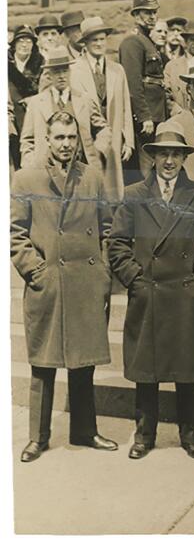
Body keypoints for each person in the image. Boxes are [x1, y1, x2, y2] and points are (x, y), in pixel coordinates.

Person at [107, 122, 194, 460]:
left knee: (187, 371)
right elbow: (116, 245)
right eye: (163, 154)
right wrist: (136, 280)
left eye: (175, 154)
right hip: (149, 293)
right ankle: (144, 434)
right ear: (153, 158)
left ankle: (190, 435)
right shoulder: (134, 195)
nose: (169, 161)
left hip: (185, 294)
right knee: (147, 369)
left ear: (183, 159)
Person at [11, 110, 118, 462]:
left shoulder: (91, 177)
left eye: (72, 138)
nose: (66, 145)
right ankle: (37, 438)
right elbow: (15, 234)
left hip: (85, 281)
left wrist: (102, 274)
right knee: (43, 364)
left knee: (83, 362)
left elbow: (106, 228)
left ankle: (86, 431)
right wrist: (36, 272)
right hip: (49, 282)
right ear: (47, 139)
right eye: (59, 138)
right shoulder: (27, 179)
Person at [72, 16, 135, 202]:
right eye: (94, 40)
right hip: (87, 139)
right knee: (89, 185)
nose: (99, 44)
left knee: (113, 189)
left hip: (114, 138)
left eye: (102, 39)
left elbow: (125, 107)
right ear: (85, 43)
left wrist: (128, 140)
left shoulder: (117, 70)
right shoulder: (75, 69)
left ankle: (111, 225)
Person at [20, 46, 103, 171]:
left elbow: (102, 129)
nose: (61, 76)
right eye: (56, 71)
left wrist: (97, 151)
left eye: (64, 71)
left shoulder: (84, 99)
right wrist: (31, 165)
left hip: (81, 168)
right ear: (49, 75)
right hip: (45, 171)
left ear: (70, 72)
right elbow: (27, 140)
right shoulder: (36, 103)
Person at [119, 0, 168, 182]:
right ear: (136, 14)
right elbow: (133, 83)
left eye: (154, 12)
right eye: (147, 12)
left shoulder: (148, 42)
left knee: (155, 168)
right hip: (146, 120)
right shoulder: (133, 42)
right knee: (146, 170)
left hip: (156, 115)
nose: (152, 16)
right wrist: (144, 116)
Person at [9, 25, 45, 170]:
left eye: (29, 41)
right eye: (21, 40)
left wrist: (34, 100)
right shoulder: (6, 62)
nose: (24, 45)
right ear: (14, 44)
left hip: (33, 116)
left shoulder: (40, 63)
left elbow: (47, 89)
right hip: (13, 117)